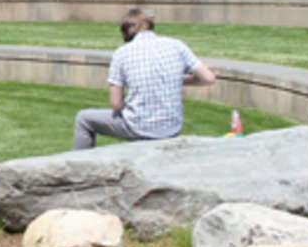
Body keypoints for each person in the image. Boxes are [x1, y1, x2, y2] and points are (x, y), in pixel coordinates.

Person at [73, 9, 216, 150]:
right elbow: (208, 78)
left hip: (138, 127)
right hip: (172, 127)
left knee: (83, 119)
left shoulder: (122, 53)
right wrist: (179, 80)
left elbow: (115, 104)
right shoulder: (177, 45)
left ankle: (79, 168)